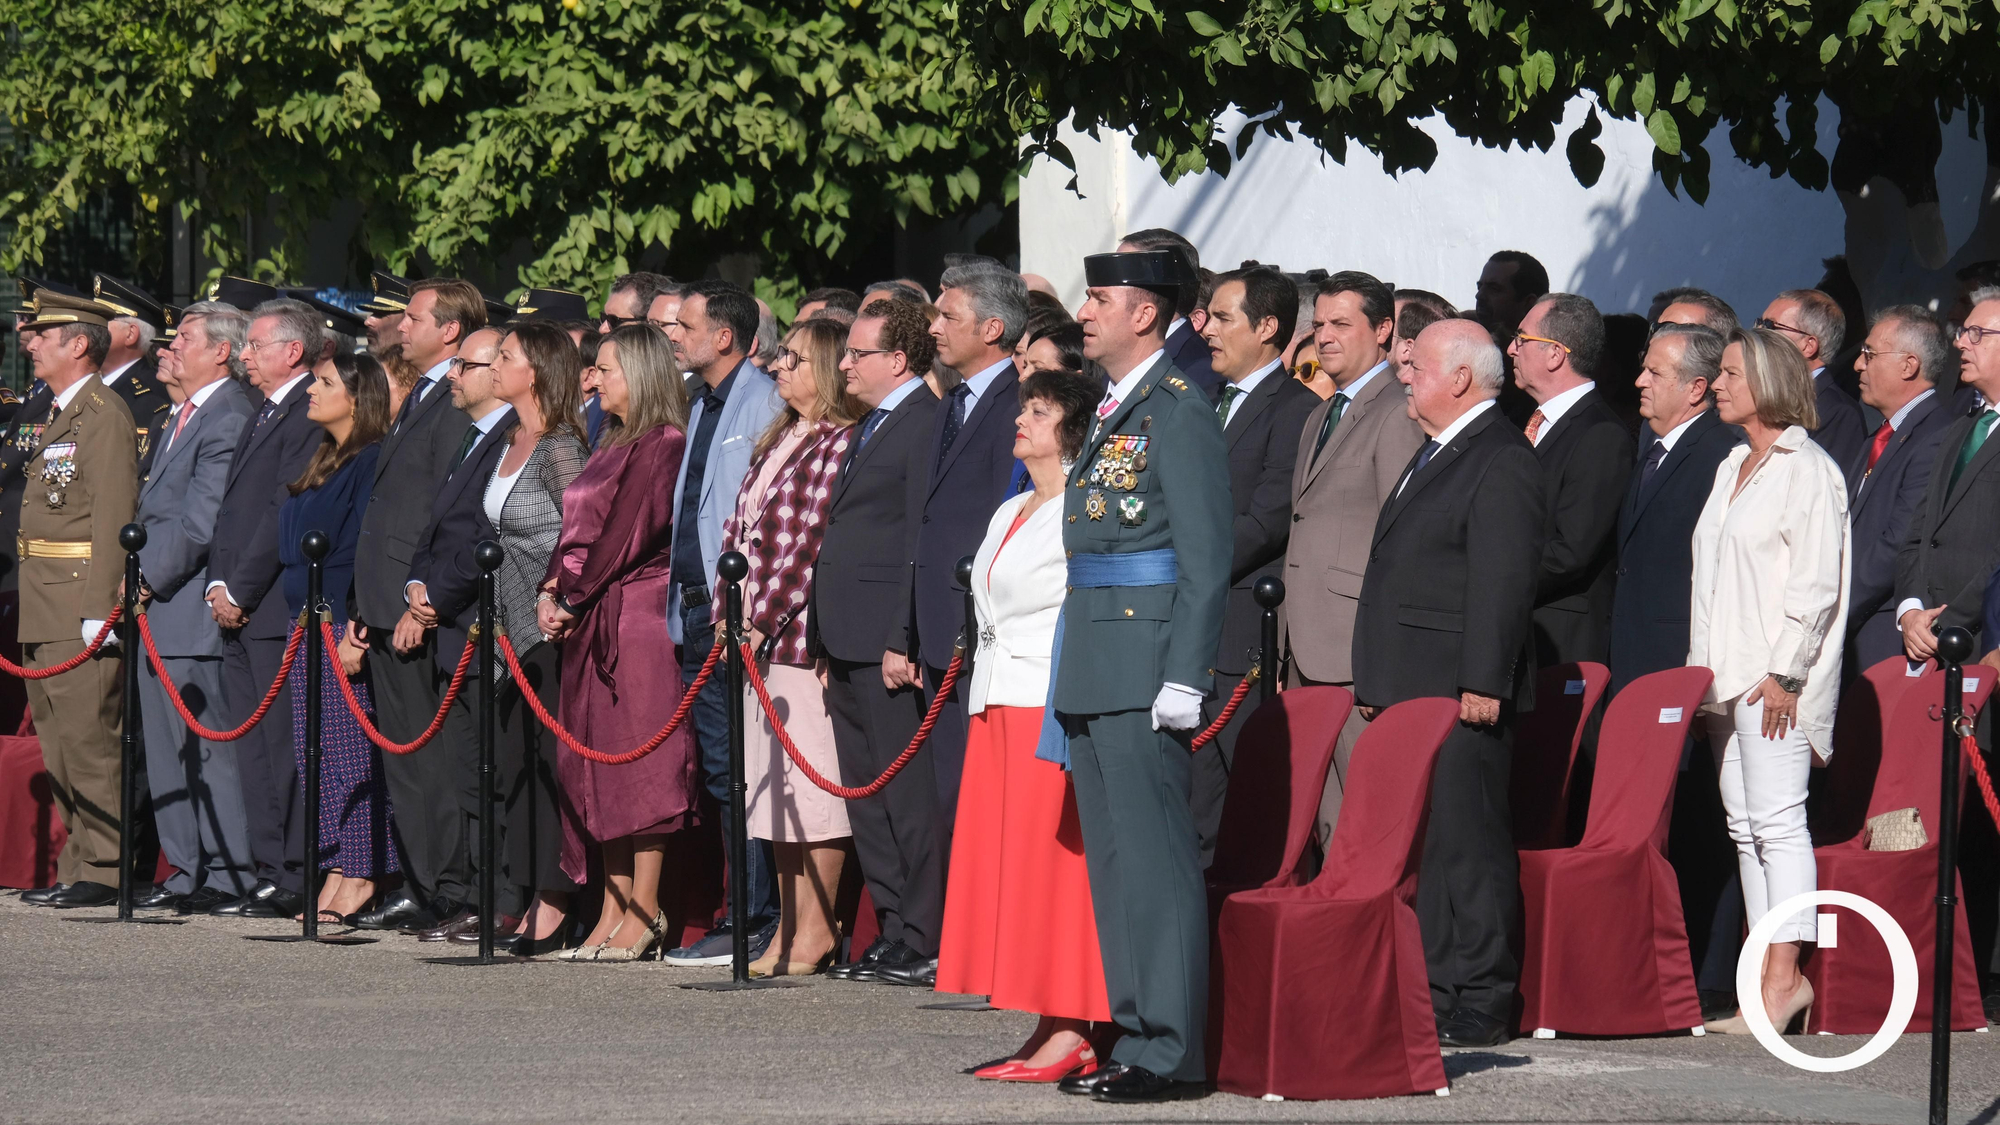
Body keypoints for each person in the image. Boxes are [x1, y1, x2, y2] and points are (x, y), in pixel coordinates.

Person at [1049, 249, 1231, 1103]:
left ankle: (1173, 1049)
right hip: (1094, 654)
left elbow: (1204, 557)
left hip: (1146, 659)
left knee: (1156, 863)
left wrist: (1186, 673)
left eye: (1100, 298)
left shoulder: (1179, 411)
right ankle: (1135, 1032)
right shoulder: (1114, 405)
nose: (1085, 312)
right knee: (1116, 866)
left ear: (1147, 313)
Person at [1352, 318, 1544, 1049]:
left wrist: (1484, 681)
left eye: (1418, 365)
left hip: (1463, 689)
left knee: (1470, 841)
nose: (1405, 374)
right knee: (1431, 846)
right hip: (1414, 683)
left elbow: (1503, 579)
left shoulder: (1499, 456)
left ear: (1461, 377)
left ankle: (1484, 992)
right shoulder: (1438, 448)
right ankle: (1435, 983)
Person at [938, 368, 1112, 1080]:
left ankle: (1074, 1024)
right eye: (1023, 409)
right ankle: (1047, 1015)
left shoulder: (1084, 504)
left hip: (1046, 699)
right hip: (995, 701)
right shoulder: (1009, 509)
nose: (1021, 422)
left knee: (1053, 868)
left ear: (1070, 428)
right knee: (1013, 867)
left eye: (1037, 412)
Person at [1691, 326, 1850, 1036]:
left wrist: (1787, 671)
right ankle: (1762, 973)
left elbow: (1816, 584)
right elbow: (1711, 578)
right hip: (1725, 679)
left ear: (1768, 382)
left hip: (1773, 677)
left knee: (1780, 824)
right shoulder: (1731, 464)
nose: (1717, 384)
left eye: (1729, 373)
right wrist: (1701, 679)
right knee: (1744, 825)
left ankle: (1785, 977)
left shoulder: (1806, 467)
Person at [537, 324, 694, 962]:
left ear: (642, 373)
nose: (592, 380)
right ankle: (611, 906)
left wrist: (572, 596)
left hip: (635, 618)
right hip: (593, 612)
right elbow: (577, 528)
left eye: (604, 369)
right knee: (597, 768)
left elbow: (628, 532)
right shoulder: (609, 438)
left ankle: (645, 910)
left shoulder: (663, 441)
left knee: (642, 767)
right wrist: (555, 585)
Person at [716, 318, 863, 975]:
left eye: (794, 360)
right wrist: (728, 610)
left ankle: (818, 928)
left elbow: (807, 544)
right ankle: (788, 924)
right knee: (770, 795)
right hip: (751, 635)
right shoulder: (784, 435)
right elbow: (738, 532)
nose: (778, 368)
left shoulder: (838, 440)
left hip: (794, 639)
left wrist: (759, 616)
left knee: (810, 788)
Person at [884, 263, 1028, 929]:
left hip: (985, 629)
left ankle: (981, 934)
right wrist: (905, 627)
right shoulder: (952, 401)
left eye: (949, 316)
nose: (933, 327)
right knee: (946, 791)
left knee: (979, 792)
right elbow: (923, 522)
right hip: (938, 628)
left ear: (992, 328)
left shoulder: (1016, 404)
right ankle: (949, 933)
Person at [812, 299, 943, 984]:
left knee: (905, 797)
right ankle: (893, 926)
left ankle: (923, 931)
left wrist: (902, 635)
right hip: (848, 634)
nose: (844, 365)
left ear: (897, 359)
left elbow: (919, 539)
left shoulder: (924, 422)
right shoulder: (874, 424)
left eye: (857, 354)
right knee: (866, 794)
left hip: (886, 640)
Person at [346, 277, 481, 932]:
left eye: (415, 316)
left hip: (418, 605)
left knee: (430, 757)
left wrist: (415, 600)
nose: (402, 326)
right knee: (404, 754)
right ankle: (425, 880)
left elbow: (441, 512)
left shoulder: (455, 398)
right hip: (384, 597)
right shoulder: (425, 391)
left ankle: (452, 889)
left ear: (450, 329)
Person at [659, 279, 786, 965]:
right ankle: (742, 909)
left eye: (685, 325)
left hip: (733, 613)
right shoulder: (699, 399)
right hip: (692, 609)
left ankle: (753, 917)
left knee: (739, 768)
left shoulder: (761, 400)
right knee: (718, 770)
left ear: (725, 336)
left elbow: (760, 517)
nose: (673, 335)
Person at [458, 322, 590, 955]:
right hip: (502, 625)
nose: (494, 366)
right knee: (513, 763)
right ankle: (525, 890)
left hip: (547, 627)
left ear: (534, 371)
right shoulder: (509, 437)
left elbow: (583, 533)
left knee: (547, 763)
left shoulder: (562, 446)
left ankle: (556, 899)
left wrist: (556, 594)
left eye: (504, 357)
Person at [1281, 270, 1425, 843]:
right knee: (1319, 818)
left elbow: (1403, 543)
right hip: (1306, 642)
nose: (1325, 336)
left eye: (1342, 323)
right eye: (1318, 324)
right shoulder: (1320, 413)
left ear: (1384, 329)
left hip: (1354, 652)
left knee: (1362, 820)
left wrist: (1382, 661)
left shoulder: (1398, 412)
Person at [12, 291, 139, 909]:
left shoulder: (102, 414)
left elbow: (114, 516)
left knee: (91, 743)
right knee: (59, 747)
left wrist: (99, 611)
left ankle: (108, 868)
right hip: (44, 601)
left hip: (76, 602)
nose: (31, 343)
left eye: (45, 334)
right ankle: (80, 863)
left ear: (79, 344)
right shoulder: (60, 412)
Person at [130, 301, 259, 913]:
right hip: (156, 606)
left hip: (184, 604)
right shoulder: (178, 415)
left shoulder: (228, 414)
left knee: (208, 749)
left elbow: (199, 523)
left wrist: (146, 580)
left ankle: (228, 873)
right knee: (165, 747)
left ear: (222, 352)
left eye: (184, 338)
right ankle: (183, 870)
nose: (170, 347)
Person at [203, 297, 327, 918]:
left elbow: (284, 507)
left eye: (254, 345)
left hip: (270, 606)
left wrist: (239, 589)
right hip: (236, 600)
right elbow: (232, 512)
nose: (244, 355)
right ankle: (269, 869)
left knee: (282, 750)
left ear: (292, 351)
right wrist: (215, 584)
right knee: (251, 747)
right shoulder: (264, 407)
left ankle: (295, 873)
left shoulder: (306, 409)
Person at [1188, 265, 1316, 863]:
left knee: (1252, 808)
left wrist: (1182, 559)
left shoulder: (1294, 409)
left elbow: (1269, 518)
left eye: (1221, 317)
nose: (1206, 329)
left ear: (1267, 327)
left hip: (1242, 636)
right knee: (1197, 815)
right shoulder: (1204, 401)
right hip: (1192, 636)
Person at [399, 325, 520, 941]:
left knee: (485, 772)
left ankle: (495, 899)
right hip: (445, 621)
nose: (451, 376)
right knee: (462, 772)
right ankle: (470, 894)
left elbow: (484, 538)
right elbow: (435, 528)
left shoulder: (508, 437)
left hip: (477, 625)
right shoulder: (473, 437)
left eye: (464, 366)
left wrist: (433, 600)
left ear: (496, 370)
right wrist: (415, 586)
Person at [279, 352, 397, 922]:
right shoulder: (325, 455)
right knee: (316, 754)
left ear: (357, 396)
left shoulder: (370, 459)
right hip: (304, 622)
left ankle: (362, 869)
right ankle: (333, 864)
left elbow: (359, 549)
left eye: (324, 382)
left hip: (339, 623)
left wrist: (357, 628)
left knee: (350, 753)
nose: (311, 390)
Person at [1507, 293, 1633, 667]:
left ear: (1555, 354)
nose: (1511, 348)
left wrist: (1496, 579)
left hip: (1562, 642)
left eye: (1521, 338)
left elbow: (1570, 551)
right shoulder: (1529, 421)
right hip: (1524, 629)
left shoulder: (1600, 434)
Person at [1844, 306, 1952, 673]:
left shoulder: (1938, 435)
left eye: (1870, 354)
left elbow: (1899, 540)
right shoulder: (1878, 436)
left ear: (1908, 365)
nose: (1858, 364)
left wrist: (1833, 608)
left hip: (1881, 637)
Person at [1898, 287, 2000, 667]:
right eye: (1962, 331)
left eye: (1977, 334)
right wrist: (1910, 611)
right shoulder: (1961, 428)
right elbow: (1919, 532)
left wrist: (1944, 621)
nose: (1960, 343)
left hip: (1978, 646)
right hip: (1923, 642)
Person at [1757, 290, 1868, 471]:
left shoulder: (1838, 414)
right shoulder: (1755, 394)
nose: (1758, 333)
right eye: (1759, 323)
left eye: (1770, 326)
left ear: (1808, 346)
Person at [90, 274, 172, 479]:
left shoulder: (151, 397)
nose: (90, 327)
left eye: (101, 320)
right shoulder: (89, 386)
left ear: (131, 334)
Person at [1117, 228, 1218, 393]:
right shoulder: (1117, 354)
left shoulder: (1200, 367)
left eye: (1124, 277)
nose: (1111, 287)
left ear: (1160, 290)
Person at [1474, 250, 1549, 343]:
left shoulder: (1545, 353)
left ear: (1529, 303)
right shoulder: (1462, 337)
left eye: (1494, 289)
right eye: (1479, 287)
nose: (1479, 295)